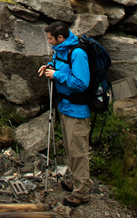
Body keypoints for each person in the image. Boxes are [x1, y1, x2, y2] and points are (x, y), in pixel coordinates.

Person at [38, 21, 91, 207]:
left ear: (60, 38)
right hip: (66, 107)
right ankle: (77, 182)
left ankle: (82, 192)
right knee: (70, 148)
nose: (49, 42)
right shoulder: (61, 50)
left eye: (50, 38)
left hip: (77, 111)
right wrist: (48, 67)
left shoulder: (77, 53)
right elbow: (60, 66)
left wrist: (56, 75)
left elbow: (82, 83)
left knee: (78, 152)